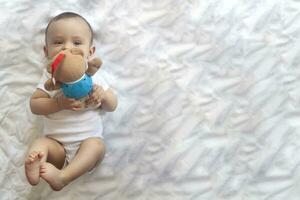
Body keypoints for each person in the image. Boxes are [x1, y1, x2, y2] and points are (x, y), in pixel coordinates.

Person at [24, 12, 118, 191]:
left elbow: (112, 106)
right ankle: (36, 161)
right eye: (58, 42)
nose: (66, 48)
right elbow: (35, 105)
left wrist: (103, 96)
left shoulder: (93, 75)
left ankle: (62, 177)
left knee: (96, 145)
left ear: (90, 52)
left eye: (76, 42)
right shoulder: (50, 77)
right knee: (41, 143)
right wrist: (57, 103)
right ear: (46, 51)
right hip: (56, 146)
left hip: (87, 145)